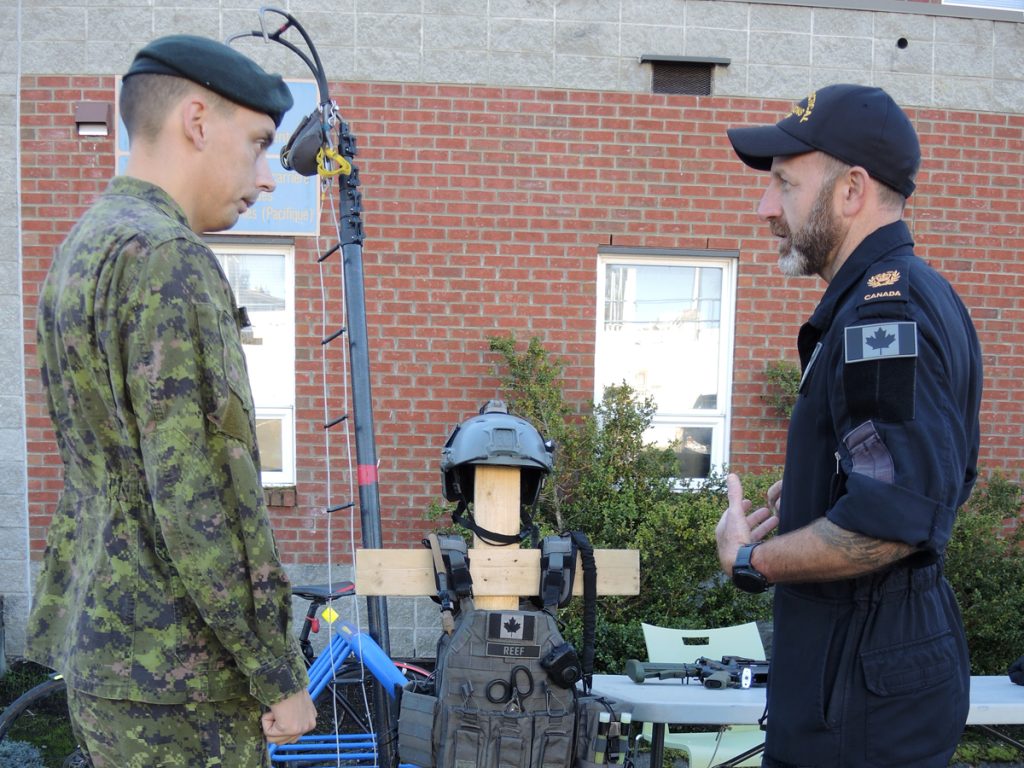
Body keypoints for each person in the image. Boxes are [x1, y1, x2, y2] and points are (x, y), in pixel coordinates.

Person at [26, 35, 317, 767]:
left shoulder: (83, 248)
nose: (266, 176)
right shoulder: (169, 261)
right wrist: (277, 673)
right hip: (183, 680)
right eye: (256, 144)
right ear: (196, 121)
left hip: (108, 658)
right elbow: (204, 500)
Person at [715, 84, 982, 767]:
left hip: (860, 709)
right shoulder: (901, 298)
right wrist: (816, 494)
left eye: (783, 184)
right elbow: (914, 478)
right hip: (859, 685)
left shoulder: (883, 315)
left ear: (852, 190)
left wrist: (750, 560)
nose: (765, 207)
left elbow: (892, 519)